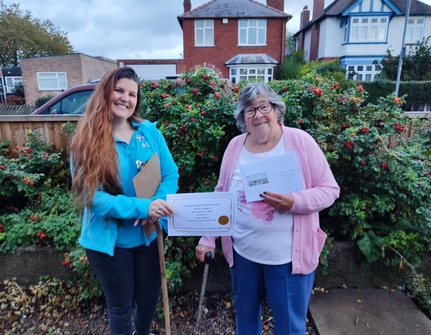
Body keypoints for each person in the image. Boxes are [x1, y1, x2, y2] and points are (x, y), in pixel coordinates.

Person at [195, 82, 340, 335]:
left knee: (289, 327)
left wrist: (293, 202)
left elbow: (329, 190)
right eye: (250, 110)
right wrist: (209, 237)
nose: (258, 114)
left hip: (287, 259)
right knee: (246, 322)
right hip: (243, 257)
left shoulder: (300, 141)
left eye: (264, 106)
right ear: (243, 117)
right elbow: (222, 194)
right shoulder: (234, 146)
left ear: (276, 110)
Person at [70, 67, 178, 335]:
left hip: (148, 236)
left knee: (149, 299)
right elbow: (92, 197)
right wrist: (143, 207)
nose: (125, 98)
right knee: (120, 307)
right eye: (119, 90)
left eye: (132, 93)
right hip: (110, 244)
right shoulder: (86, 140)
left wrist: (158, 205)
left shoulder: (150, 133)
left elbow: (170, 174)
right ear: (106, 92)